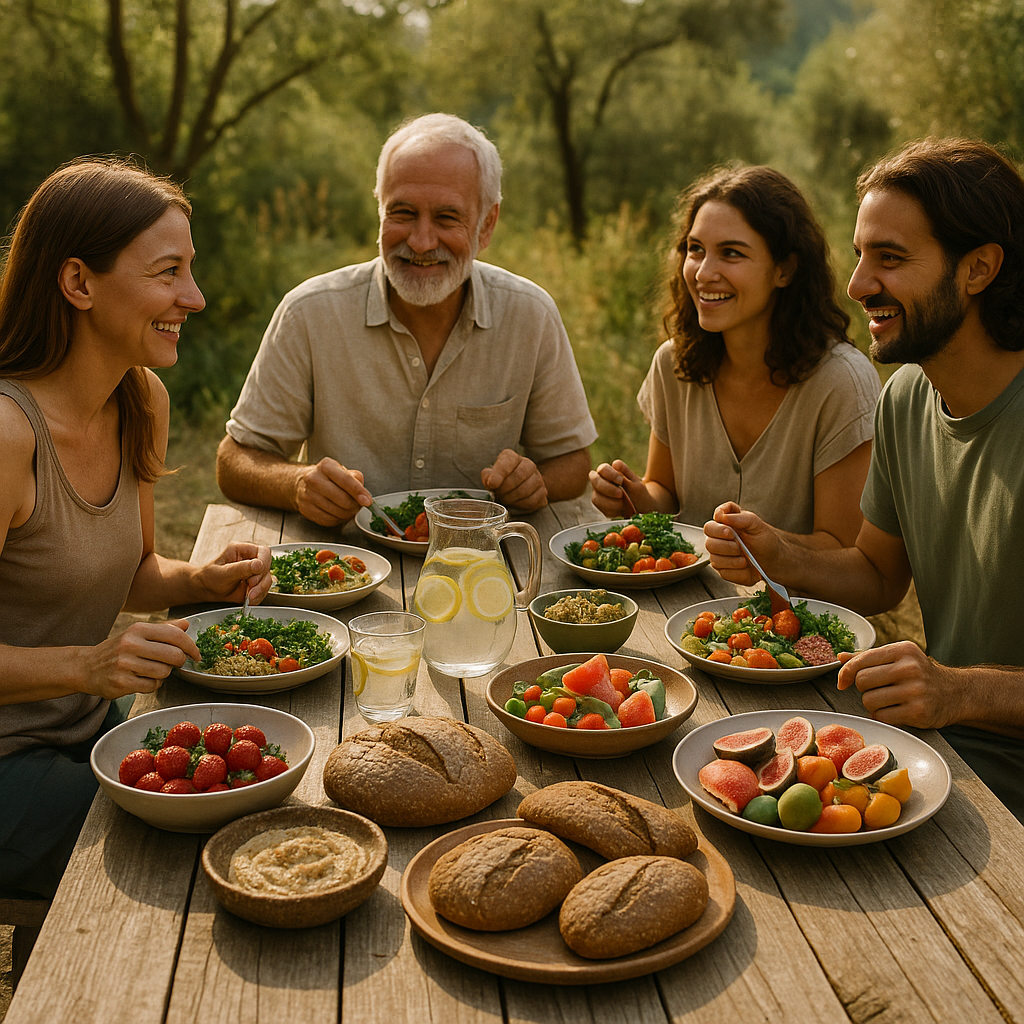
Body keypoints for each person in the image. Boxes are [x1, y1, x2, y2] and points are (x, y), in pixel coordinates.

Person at [705, 138, 1024, 822]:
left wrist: (958, 691)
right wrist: (781, 554)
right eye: (859, 255)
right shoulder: (908, 396)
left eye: (890, 258)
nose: (856, 285)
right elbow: (879, 574)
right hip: (934, 751)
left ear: (979, 269)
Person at [0, 156, 274, 899]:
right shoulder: (6, 434)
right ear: (79, 282)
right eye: (168, 272)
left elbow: (136, 574)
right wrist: (88, 666)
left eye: (191, 270)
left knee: (258, 788)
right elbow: (89, 655)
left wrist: (202, 577)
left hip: (83, 728)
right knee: (204, 852)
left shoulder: (140, 399)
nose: (197, 296)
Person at [216, 113, 597, 526]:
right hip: (344, 570)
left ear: (486, 225)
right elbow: (235, 460)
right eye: (402, 213)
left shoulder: (530, 315)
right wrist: (296, 483)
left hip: (483, 564)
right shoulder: (310, 313)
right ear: (379, 211)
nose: (421, 241)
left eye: (447, 217)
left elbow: (572, 462)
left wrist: (534, 482)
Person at [590, 165, 879, 546]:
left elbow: (843, 547)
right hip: (688, 606)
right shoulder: (672, 364)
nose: (703, 272)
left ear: (785, 269)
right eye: (695, 250)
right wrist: (634, 496)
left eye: (731, 253)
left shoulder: (841, 383)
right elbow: (665, 491)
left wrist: (758, 548)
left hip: (799, 607)